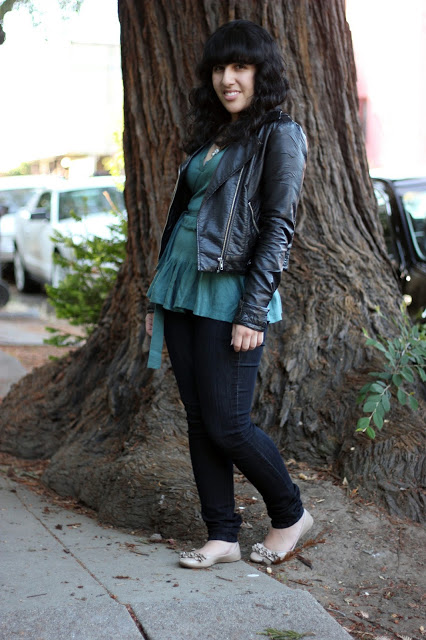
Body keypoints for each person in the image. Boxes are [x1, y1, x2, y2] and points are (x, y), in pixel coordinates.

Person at [145, 19, 311, 569]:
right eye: (219, 67)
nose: (227, 78)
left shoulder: (279, 133)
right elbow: (183, 219)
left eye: (239, 66)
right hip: (182, 287)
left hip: (234, 293)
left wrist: (254, 309)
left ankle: (291, 515)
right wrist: (156, 300)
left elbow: (277, 227)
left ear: (260, 73)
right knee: (199, 419)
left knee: (230, 424)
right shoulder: (211, 133)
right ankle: (222, 534)